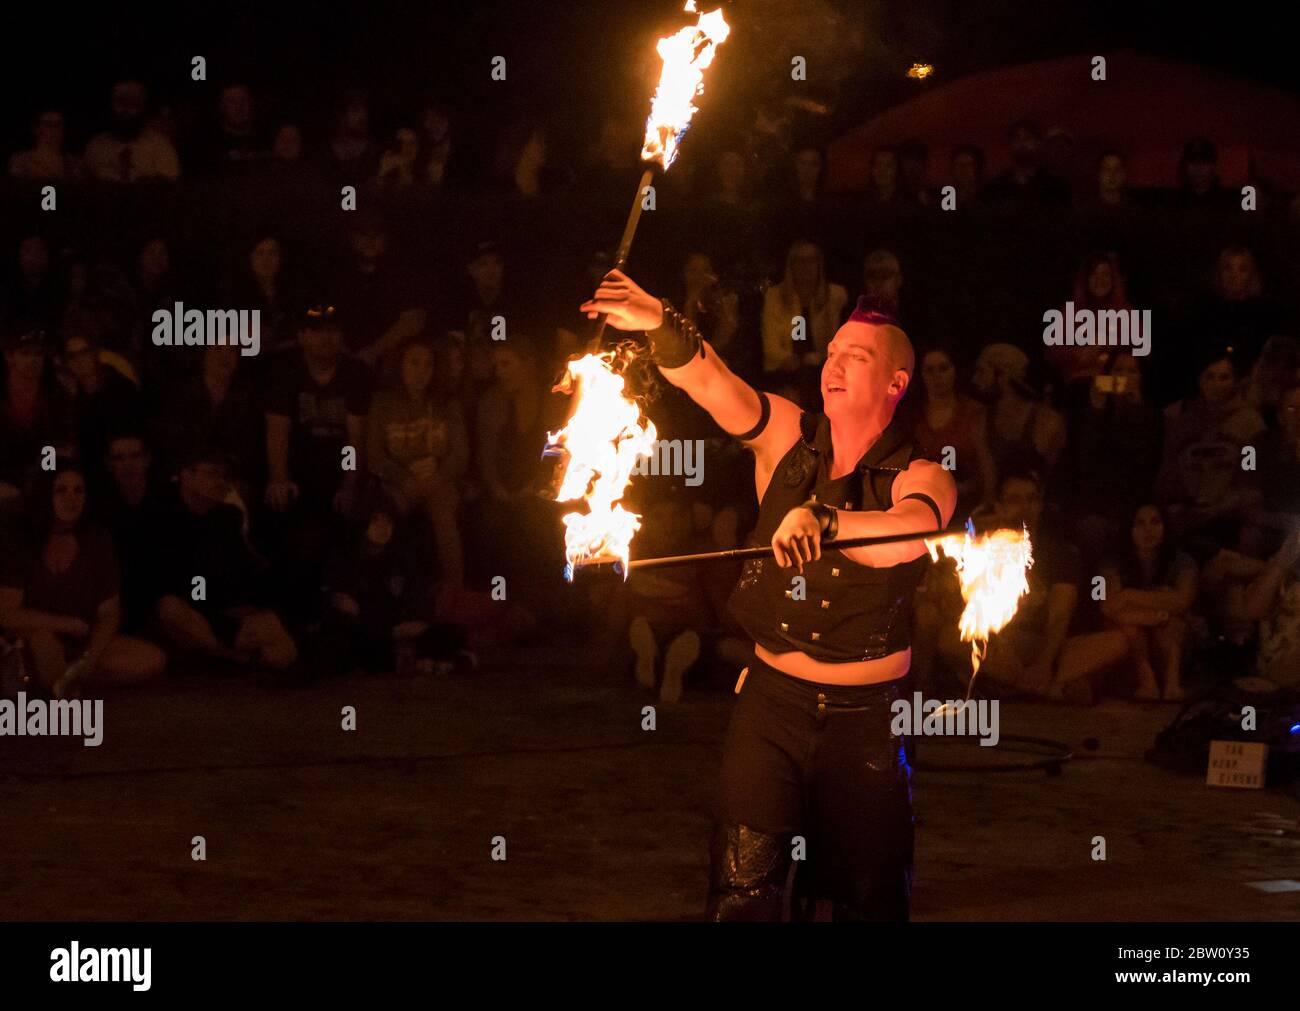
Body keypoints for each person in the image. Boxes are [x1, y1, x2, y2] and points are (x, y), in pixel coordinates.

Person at [582, 270, 957, 921]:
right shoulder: (787, 435)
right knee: (740, 895)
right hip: (770, 708)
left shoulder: (923, 475)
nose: (834, 365)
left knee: (864, 905)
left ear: (897, 382)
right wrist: (657, 320)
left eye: (856, 357)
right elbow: (713, 384)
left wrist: (827, 521)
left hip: (867, 722)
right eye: (832, 353)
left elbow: (909, 532)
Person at [0, 462, 166, 698]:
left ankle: (66, 681)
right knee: (43, 641)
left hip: (80, 643)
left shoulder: (97, 539)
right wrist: (66, 624)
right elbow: (8, 614)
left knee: (150, 659)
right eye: (61, 491)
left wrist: (90, 657)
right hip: (35, 636)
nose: (72, 499)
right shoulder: (22, 539)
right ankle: (59, 682)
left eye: (79, 491)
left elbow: (109, 612)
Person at [155, 449, 298, 672]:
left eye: (224, 476)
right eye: (212, 474)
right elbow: (169, 578)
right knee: (170, 609)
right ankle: (231, 658)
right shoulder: (163, 517)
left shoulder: (227, 517)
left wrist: (251, 609)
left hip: (223, 607)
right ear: (186, 475)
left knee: (278, 645)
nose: (221, 482)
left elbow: (240, 571)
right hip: (187, 608)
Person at [367, 338, 468, 590]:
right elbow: (374, 456)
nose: (421, 372)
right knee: (385, 513)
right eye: (413, 363)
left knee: (443, 510)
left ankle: (453, 591)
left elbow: (460, 454)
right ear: (400, 365)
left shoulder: (447, 404)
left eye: (428, 365)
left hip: (439, 481)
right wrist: (403, 478)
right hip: (398, 482)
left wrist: (436, 477)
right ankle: (377, 588)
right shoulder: (382, 403)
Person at [1090, 504, 1198, 701]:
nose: (1148, 530)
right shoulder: (1110, 563)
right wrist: (1158, 615)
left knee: (1174, 623)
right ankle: (1146, 678)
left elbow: (1182, 601)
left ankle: (1172, 682)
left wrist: (1129, 596)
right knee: (1131, 625)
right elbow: (1107, 606)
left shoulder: (1183, 561)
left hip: (1172, 643)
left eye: (1155, 522)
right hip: (1128, 643)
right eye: (1140, 524)